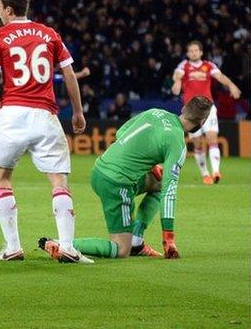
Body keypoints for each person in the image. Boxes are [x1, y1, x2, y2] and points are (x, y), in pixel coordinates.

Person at [0, 0, 92, 264]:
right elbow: (69, 74)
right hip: (46, 115)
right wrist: (78, 111)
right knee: (59, 180)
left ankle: (12, 247)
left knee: (2, 178)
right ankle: (69, 246)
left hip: (13, 114)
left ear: (9, 10)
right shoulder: (49, 34)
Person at [39, 97, 213, 259]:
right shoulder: (177, 142)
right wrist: (169, 239)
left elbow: (121, 132)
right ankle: (62, 243)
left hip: (99, 169)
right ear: (202, 122)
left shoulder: (155, 112)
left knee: (158, 183)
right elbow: (170, 191)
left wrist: (151, 166)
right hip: (116, 184)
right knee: (122, 249)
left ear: (183, 108)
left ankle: (137, 242)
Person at [171, 40, 241, 185]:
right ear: (187, 53)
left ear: (201, 52)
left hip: (208, 108)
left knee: (212, 139)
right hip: (190, 111)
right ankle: (205, 174)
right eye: (191, 51)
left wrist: (232, 85)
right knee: (197, 143)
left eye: (196, 50)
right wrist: (177, 83)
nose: (193, 53)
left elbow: (220, 77)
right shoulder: (184, 65)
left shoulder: (208, 65)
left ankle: (216, 171)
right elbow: (177, 75)